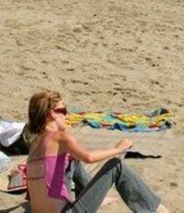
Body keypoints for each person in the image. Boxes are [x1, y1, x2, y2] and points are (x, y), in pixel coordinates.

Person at [24, 90, 167, 213]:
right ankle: (152, 208)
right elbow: (89, 157)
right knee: (116, 165)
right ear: (53, 114)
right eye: (64, 111)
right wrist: (118, 149)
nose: (67, 115)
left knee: (72, 161)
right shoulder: (60, 137)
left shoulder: (34, 146)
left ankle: (99, 198)